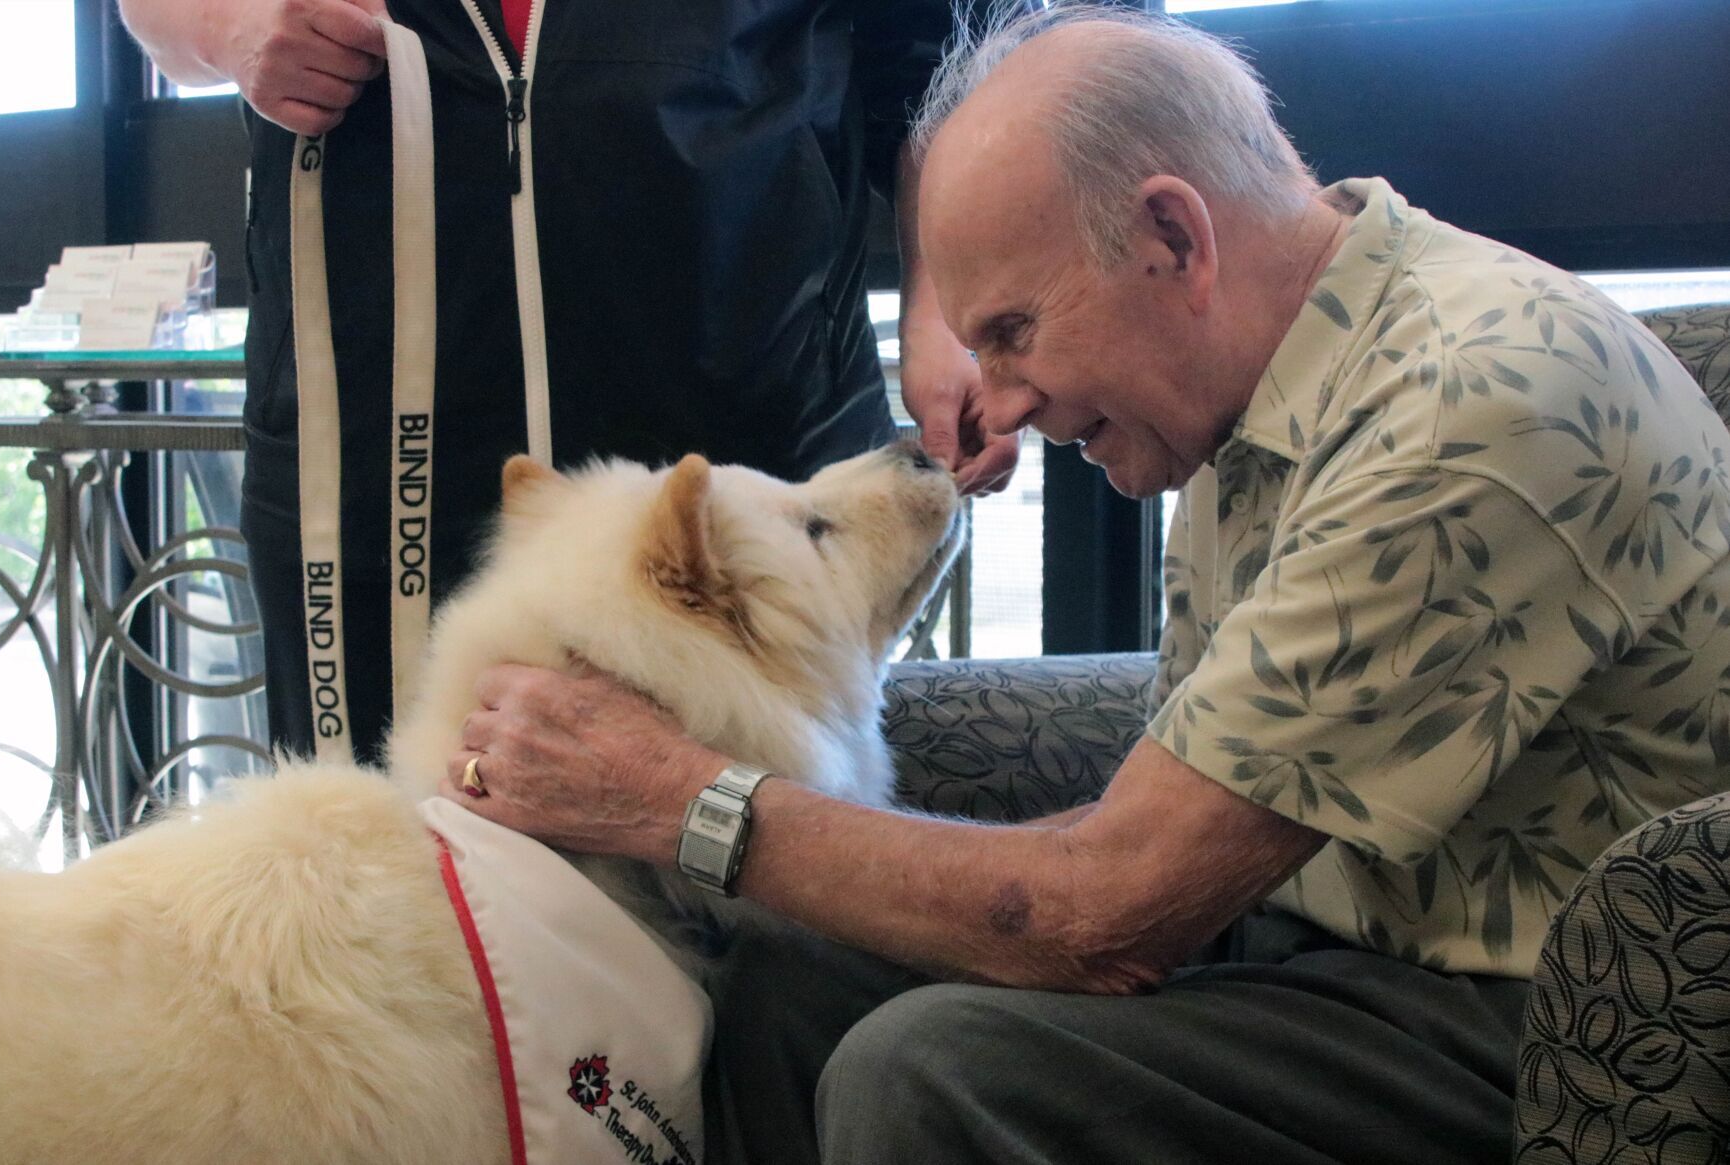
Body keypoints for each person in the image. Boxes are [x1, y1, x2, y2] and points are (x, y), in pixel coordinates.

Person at [434, 6, 1730, 1164]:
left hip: (1553, 1018)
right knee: (785, 980)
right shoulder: (1276, 374)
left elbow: (1112, 912)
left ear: (1172, 235)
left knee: (927, 1067)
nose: (991, 407)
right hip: (1317, 942)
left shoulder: (1468, 414)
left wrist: (680, 797)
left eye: (1008, 332)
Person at [118, 0, 1020, 760]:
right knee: (385, 897)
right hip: (375, 442)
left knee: (750, 894)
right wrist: (228, 24)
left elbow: (933, 66)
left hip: (745, 433)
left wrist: (945, 313)